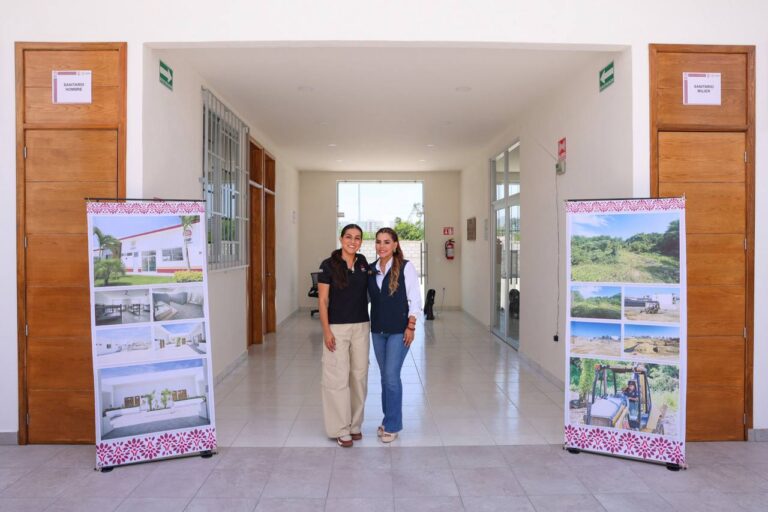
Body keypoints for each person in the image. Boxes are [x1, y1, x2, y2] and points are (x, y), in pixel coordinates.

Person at [317, 224, 371, 447]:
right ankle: (340, 428)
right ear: (341, 239)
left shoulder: (363, 263)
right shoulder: (328, 265)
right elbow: (322, 301)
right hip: (337, 328)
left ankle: (355, 424)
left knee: (359, 377)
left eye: (357, 238)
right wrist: (326, 331)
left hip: (361, 326)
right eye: (349, 237)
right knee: (337, 377)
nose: (353, 241)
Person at [368, 227, 422, 443]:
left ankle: (393, 424)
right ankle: (387, 418)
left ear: (395, 245)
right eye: (379, 242)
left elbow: (415, 300)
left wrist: (411, 326)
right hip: (377, 331)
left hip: (399, 330)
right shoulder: (371, 270)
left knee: (391, 376)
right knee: (385, 377)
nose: (382, 246)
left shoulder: (406, 267)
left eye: (387, 242)